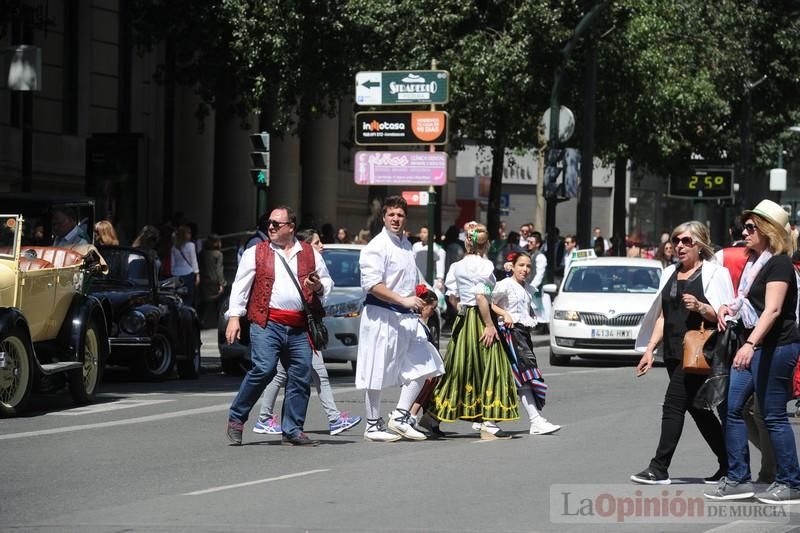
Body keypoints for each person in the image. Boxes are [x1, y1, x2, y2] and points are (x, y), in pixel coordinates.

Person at [705, 200, 800, 504]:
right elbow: (746, 300)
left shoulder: (780, 264)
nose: (744, 231)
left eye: (751, 227)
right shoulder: (754, 263)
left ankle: (791, 482)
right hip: (756, 344)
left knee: (772, 415)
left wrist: (750, 344)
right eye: (744, 226)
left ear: (768, 231)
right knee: (731, 407)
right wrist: (727, 306)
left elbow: (772, 310)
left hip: (777, 346)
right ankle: (738, 479)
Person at [632, 221, 733, 485]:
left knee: (673, 404)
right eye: (677, 240)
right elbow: (663, 316)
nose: (679, 245)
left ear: (700, 245)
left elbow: (724, 315)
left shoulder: (714, 273)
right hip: (674, 352)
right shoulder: (669, 273)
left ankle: (659, 468)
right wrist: (649, 350)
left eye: (686, 241)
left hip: (701, 351)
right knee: (697, 408)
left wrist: (701, 307)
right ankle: (730, 463)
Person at [225, 206, 333, 447]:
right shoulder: (256, 252)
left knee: (300, 375)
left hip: (299, 326)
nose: (271, 227)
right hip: (267, 322)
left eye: (277, 224)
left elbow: (327, 282)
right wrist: (234, 316)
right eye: (270, 223)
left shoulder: (309, 253)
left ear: (291, 227)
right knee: (264, 368)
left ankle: (292, 429)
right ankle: (237, 418)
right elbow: (240, 286)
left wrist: (317, 287)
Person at [252, 228, 362, 437]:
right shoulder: (301, 267)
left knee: (286, 374)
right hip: (298, 330)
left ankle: (266, 418)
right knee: (313, 374)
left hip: (301, 329)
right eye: (318, 242)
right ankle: (332, 419)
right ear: (306, 245)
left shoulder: (312, 266)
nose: (322, 246)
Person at [356, 195, 445, 442]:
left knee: (429, 363)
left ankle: (400, 416)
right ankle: (372, 425)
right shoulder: (376, 246)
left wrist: (425, 293)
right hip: (381, 316)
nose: (396, 219)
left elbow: (411, 279)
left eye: (400, 215)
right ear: (383, 217)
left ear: (405, 218)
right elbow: (372, 285)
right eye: (391, 215)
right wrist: (402, 300)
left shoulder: (406, 244)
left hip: (406, 318)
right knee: (375, 369)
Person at [432, 223, 519, 439]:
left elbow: (452, 297)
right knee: (493, 367)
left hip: (464, 320)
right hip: (481, 318)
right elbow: (482, 296)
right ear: (486, 243)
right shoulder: (485, 266)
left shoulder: (457, 266)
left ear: (467, 242)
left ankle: (432, 417)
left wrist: (463, 308)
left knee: (458, 369)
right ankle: (489, 422)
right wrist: (489, 325)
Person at [492, 252, 561, 435]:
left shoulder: (527, 288)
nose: (525, 269)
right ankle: (535, 420)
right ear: (513, 266)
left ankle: (489, 420)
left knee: (519, 377)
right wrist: (505, 314)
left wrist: (529, 316)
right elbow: (491, 304)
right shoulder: (505, 285)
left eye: (528, 266)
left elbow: (526, 309)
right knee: (525, 375)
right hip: (510, 334)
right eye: (521, 265)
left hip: (522, 333)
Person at [198, 234, 226, 328]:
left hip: (204, 280)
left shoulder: (202, 253)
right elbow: (219, 270)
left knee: (204, 303)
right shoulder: (218, 254)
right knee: (218, 304)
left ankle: (200, 320)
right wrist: (222, 283)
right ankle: (218, 322)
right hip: (214, 282)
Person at [171, 224, 200, 309]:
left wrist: (172, 274)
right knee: (189, 298)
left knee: (178, 297)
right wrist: (197, 274)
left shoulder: (174, 247)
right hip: (188, 273)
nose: (190, 235)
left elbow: (173, 264)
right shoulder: (191, 245)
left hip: (176, 274)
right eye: (188, 233)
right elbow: (194, 260)